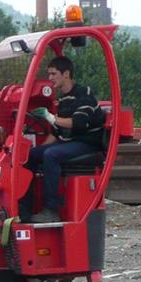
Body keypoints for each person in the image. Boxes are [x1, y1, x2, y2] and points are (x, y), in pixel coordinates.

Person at [23, 56, 106, 223]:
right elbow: (56, 132)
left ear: (66, 74)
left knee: (52, 155)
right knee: (29, 156)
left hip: (87, 143)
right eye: (49, 74)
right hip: (71, 143)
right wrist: (38, 152)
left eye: (53, 74)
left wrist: (49, 117)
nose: (50, 78)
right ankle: (24, 208)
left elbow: (78, 124)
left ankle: (51, 210)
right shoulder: (63, 100)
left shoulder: (83, 94)